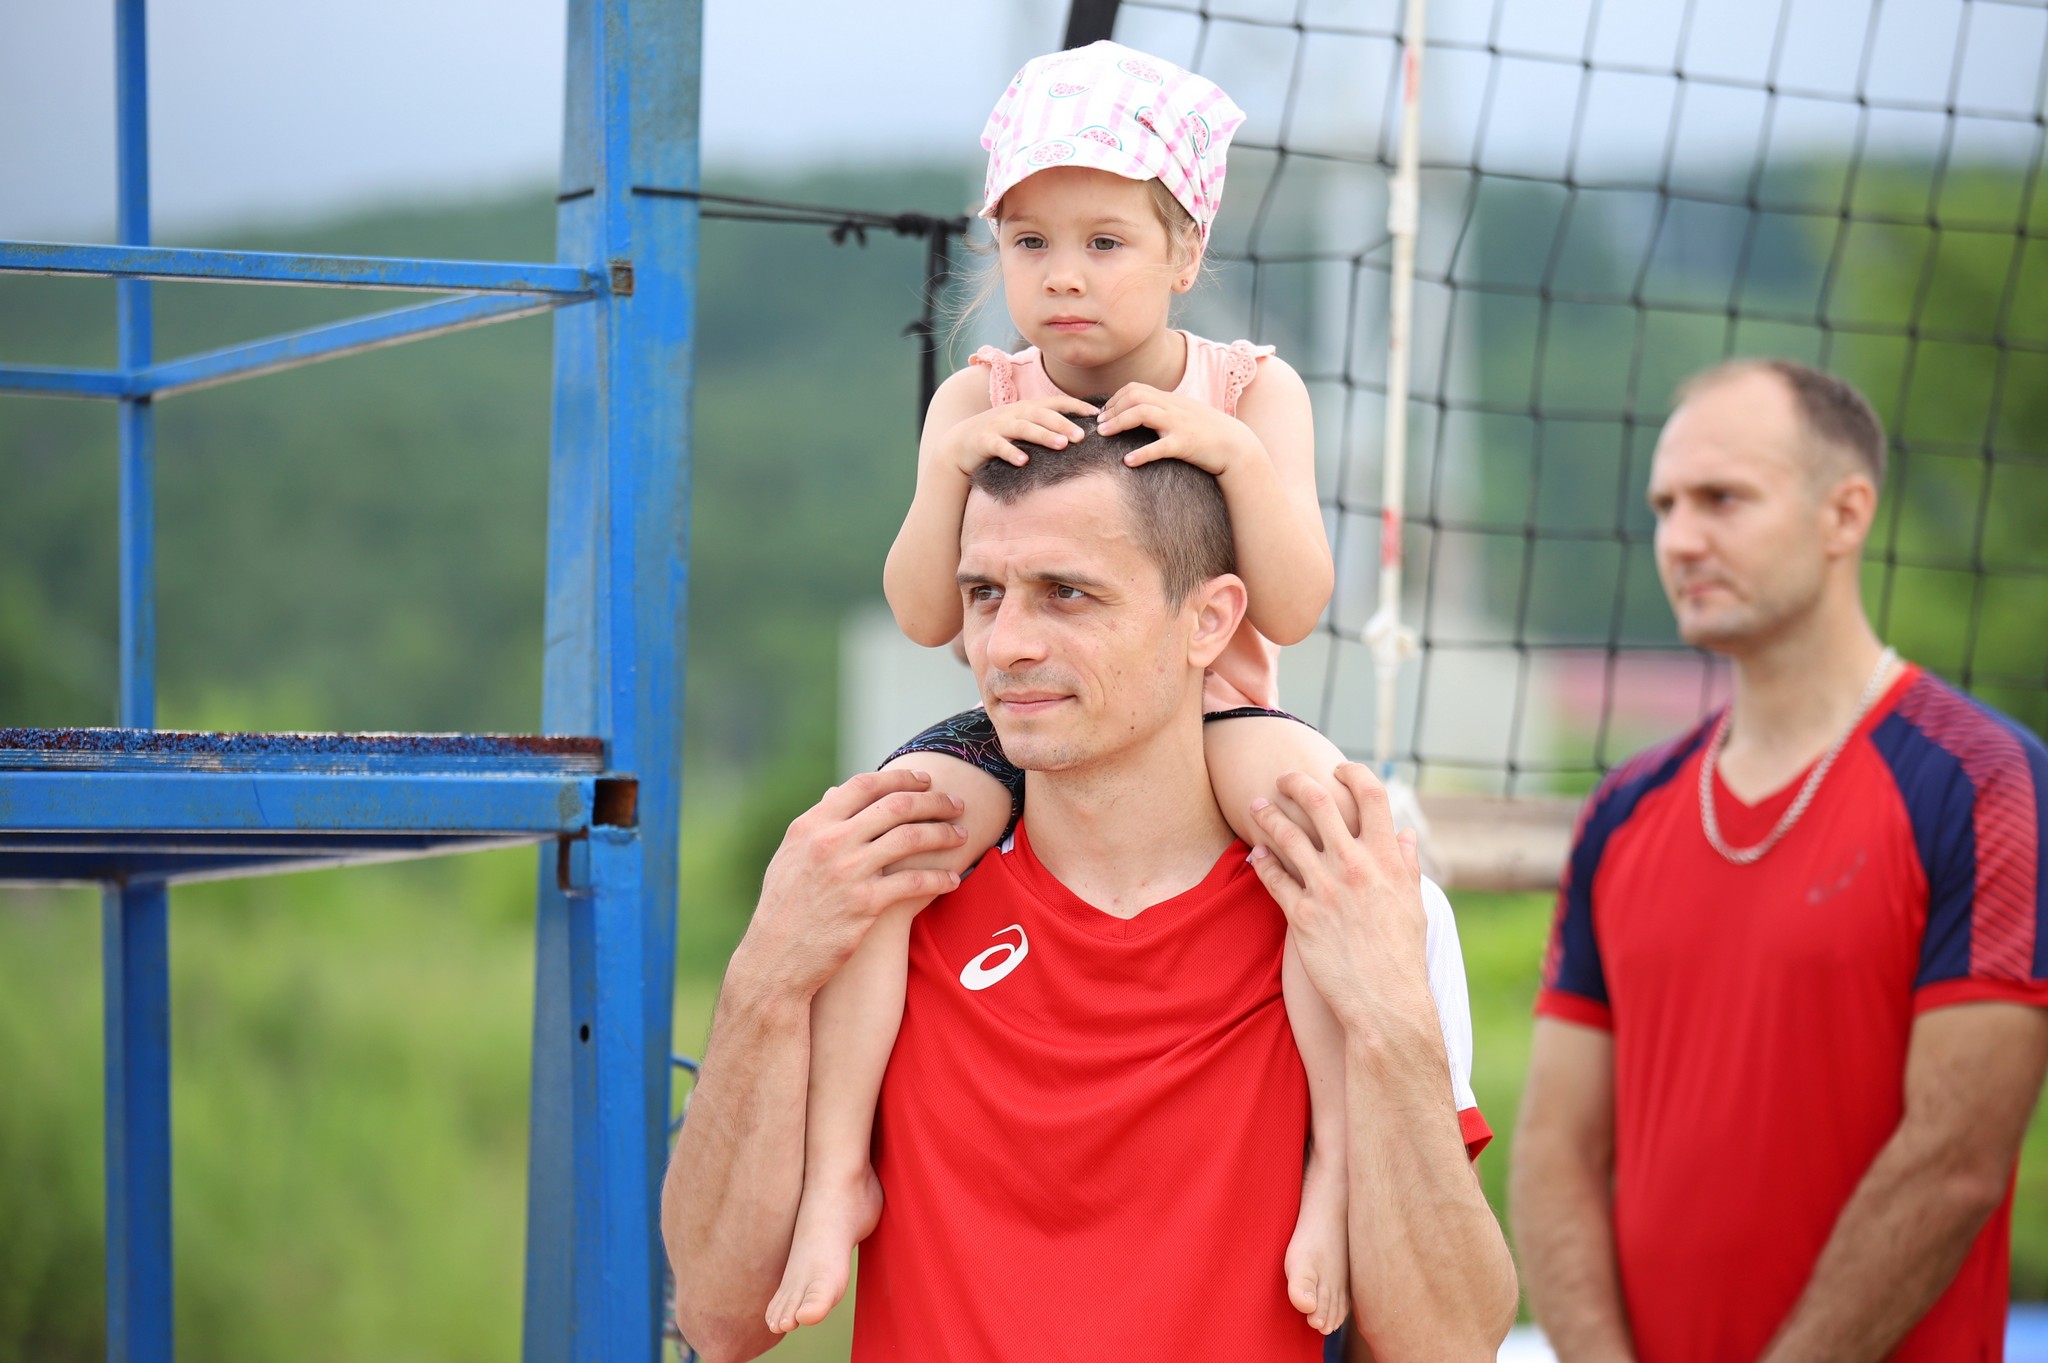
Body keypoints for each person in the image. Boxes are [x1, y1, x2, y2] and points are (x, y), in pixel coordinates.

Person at [662, 419, 1516, 1362]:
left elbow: (1446, 1347)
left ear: (1210, 619)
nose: (1007, 643)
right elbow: (717, 1313)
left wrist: (1392, 1020)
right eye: (985, 594)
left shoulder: (1353, 909)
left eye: (1066, 593)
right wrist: (762, 980)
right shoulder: (884, 896)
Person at [768, 38, 1366, 1339]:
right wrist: (949, 474)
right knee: (888, 833)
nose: (1065, 277)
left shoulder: (1252, 386)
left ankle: (1334, 1172)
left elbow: (1301, 605)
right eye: (1031, 245)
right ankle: (834, 1177)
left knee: (1318, 821)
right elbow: (929, 611)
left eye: (1105, 242)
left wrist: (1235, 461)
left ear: (1183, 253)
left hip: (1211, 711)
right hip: (1024, 717)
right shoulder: (980, 395)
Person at [1511, 358, 2048, 1363]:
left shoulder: (1981, 781)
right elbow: (1551, 1151)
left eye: (1721, 499)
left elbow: (1955, 1159)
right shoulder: (1620, 811)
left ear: (1843, 513)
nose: (1679, 537)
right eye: (1663, 505)